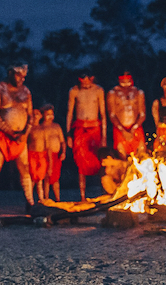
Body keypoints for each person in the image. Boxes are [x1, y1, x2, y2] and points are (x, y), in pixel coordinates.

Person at [0, 64, 36, 213]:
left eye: (24, 76)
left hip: (21, 138)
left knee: (24, 170)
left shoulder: (26, 91)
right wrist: (11, 133)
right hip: (3, 137)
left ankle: (30, 202)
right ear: (10, 73)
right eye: (18, 75)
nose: (22, 78)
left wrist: (25, 133)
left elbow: (31, 115)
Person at [66, 72, 107, 202]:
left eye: (86, 80)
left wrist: (104, 136)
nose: (84, 83)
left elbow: (103, 114)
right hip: (80, 128)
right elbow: (69, 113)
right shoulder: (74, 90)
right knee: (80, 161)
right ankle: (82, 196)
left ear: (91, 78)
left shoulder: (99, 90)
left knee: (99, 160)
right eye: (82, 81)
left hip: (95, 127)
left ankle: (104, 192)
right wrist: (68, 135)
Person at [29, 104, 66, 203]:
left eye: (52, 114)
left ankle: (57, 199)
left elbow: (62, 141)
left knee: (56, 178)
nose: (50, 116)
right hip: (44, 155)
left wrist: (64, 152)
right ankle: (45, 198)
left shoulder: (56, 126)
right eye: (48, 114)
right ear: (43, 115)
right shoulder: (40, 127)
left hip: (56, 155)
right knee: (45, 178)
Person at [107, 72, 147, 158]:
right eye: (123, 78)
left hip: (136, 128)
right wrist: (122, 130)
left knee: (142, 155)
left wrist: (133, 129)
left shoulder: (138, 92)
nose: (125, 80)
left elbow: (142, 114)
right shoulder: (112, 93)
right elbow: (112, 115)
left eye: (127, 78)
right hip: (120, 129)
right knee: (122, 156)